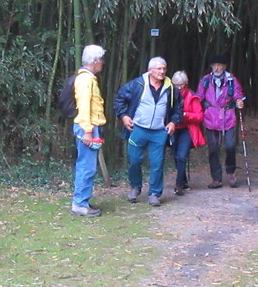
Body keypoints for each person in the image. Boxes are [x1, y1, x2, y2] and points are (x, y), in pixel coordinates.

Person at [114, 57, 183, 207]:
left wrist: (173, 122)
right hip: (137, 129)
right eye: (158, 68)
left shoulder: (171, 88)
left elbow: (178, 108)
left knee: (157, 163)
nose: (162, 71)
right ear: (150, 70)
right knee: (134, 160)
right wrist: (124, 116)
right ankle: (135, 187)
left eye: (164, 68)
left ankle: (154, 193)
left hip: (159, 131)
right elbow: (119, 99)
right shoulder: (137, 84)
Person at [70, 45, 107, 217]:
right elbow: (84, 106)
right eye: (101, 59)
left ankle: (82, 201)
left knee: (87, 166)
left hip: (90, 126)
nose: (103, 63)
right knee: (86, 166)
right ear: (95, 61)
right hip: (88, 127)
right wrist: (88, 131)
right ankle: (79, 204)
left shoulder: (88, 78)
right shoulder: (85, 79)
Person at [198, 54, 246, 188]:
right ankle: (216, 178)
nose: (217, 68)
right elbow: (199, 97)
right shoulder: (205, 80)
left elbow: (238, 95)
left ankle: (231, 172)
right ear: (211, 66)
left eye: (220, 65)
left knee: (230, 146)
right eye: (215, 65)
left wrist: (239, 101)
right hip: (210, 117)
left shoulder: (231, 80)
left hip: (227, 116)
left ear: (224, 66)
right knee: (213, 149)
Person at [170, 71, 205, 196]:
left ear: (186, 84)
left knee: (182, 155)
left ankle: (179, 184)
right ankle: (183, 180)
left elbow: (199, 116)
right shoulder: (169, 94)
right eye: (176, 85)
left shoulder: (192, 96)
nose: (179, 87)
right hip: (173, 129)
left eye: (181, 85)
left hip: (187, 129)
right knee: (175, 156)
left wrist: (185, 115)